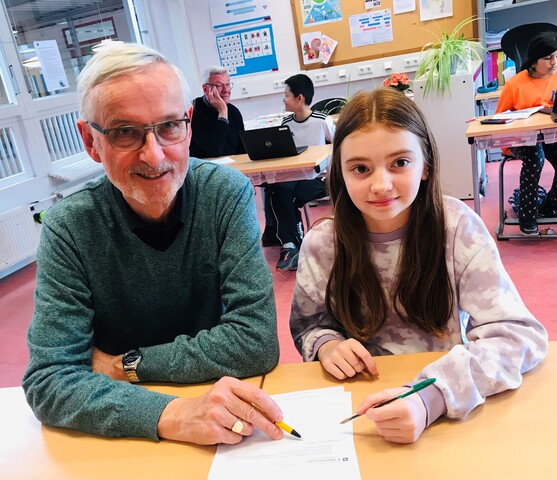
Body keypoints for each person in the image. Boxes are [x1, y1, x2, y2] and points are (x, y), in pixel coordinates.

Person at [22, 43, 285, 446]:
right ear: (91, 142)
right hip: (126, 430)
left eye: (168, 126)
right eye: (125, 132)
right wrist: (172, 412)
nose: (155, 153)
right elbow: (49, 380)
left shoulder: (224, 195)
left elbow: (256, 342)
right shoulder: (69, 227)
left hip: (222, 419)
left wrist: (125, 365)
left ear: (189, 124)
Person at [290, 88, 548, 444]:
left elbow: (518, 336)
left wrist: (433, 397)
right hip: (361, 411)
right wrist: (327, 344)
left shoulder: (457, 227)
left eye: (400, 162)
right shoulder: (322, 244)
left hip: (450, 406)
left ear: (425, 165)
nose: (381, 185)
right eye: (361, 168)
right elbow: (309, 324)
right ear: (340, 174)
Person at [263, 74, 335, 271]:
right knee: (277, 191)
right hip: (292, 178)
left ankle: (293, 245)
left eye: (286, 95)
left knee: (286, 197)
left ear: (299, 98)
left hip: (317, 179)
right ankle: (291, 246)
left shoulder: (322, 121)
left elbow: (340, 147)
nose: (283, 100)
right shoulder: (286, 124)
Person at [495, 31, 557, 235]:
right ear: (533, 61)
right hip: (518, 141)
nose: (553, 62)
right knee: (535, 158)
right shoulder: (515, 84)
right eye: (548, 58)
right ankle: (527, 216)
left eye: (556, 56)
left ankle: (549, 206)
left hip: (548, 137)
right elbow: (499, 120)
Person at [189, 65, 246, 158]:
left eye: (227, 84)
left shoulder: (234, 111)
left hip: (235, 167)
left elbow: (243, 150)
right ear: (205, 89)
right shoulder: (194, 111)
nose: (226, 90)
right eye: (219, 85)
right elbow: (214, 152)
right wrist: (222, 112)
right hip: (207, 169)